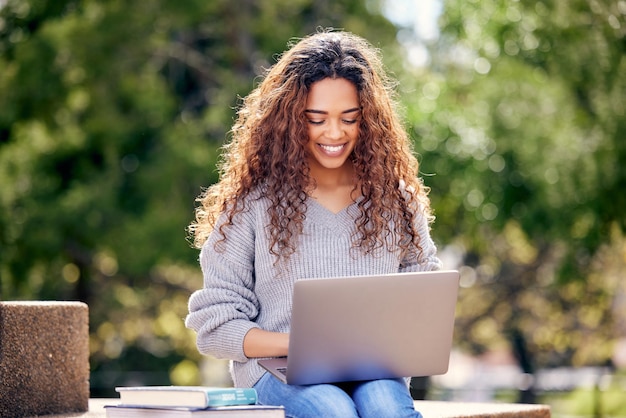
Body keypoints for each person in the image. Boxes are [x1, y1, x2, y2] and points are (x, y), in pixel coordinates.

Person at [185, 30, 442, 418]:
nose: (334, 133)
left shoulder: (397, 199)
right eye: (316, 119)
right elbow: (214, 326)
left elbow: (424, 298)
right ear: (288, 119)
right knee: (332, 410)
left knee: (388, 410)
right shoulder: (250, 204)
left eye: (349, 119)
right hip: (277, 372)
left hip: (374, 371)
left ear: (368, 119)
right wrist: (298, 344)